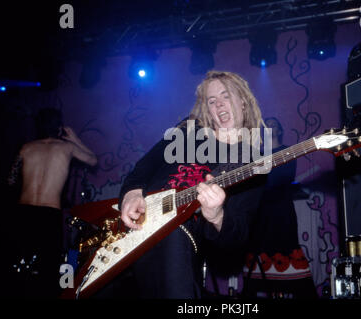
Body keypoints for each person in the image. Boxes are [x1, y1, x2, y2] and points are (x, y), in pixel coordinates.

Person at [98, 70, 267, 299]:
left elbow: (236, 236)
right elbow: (146, 165)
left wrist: (216, 215)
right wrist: (132, 193)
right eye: (211, 100)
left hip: (178, 238)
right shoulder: (189, 129)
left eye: (225, 96)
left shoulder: (249, 161)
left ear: (243, 101)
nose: (218, 104)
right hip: (133, 227)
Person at [0, 107, 97, 298]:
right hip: (48, 214)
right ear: (59, 127)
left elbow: (10, 180)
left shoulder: (26, 148)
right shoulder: (67, 147)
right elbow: (93, 160)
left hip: (23, 211)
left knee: (19, 263)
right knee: (48, 268)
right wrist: (74, 138)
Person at [243, 117, 317, 299]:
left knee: (286, 246)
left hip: (281, 209)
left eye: (274, 124)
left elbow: (284, 177)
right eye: (266, 125)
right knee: (257, 253)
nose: (270, 127)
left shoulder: (287, 151)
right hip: (261, 212)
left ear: (280, 130)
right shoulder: (256, 155)